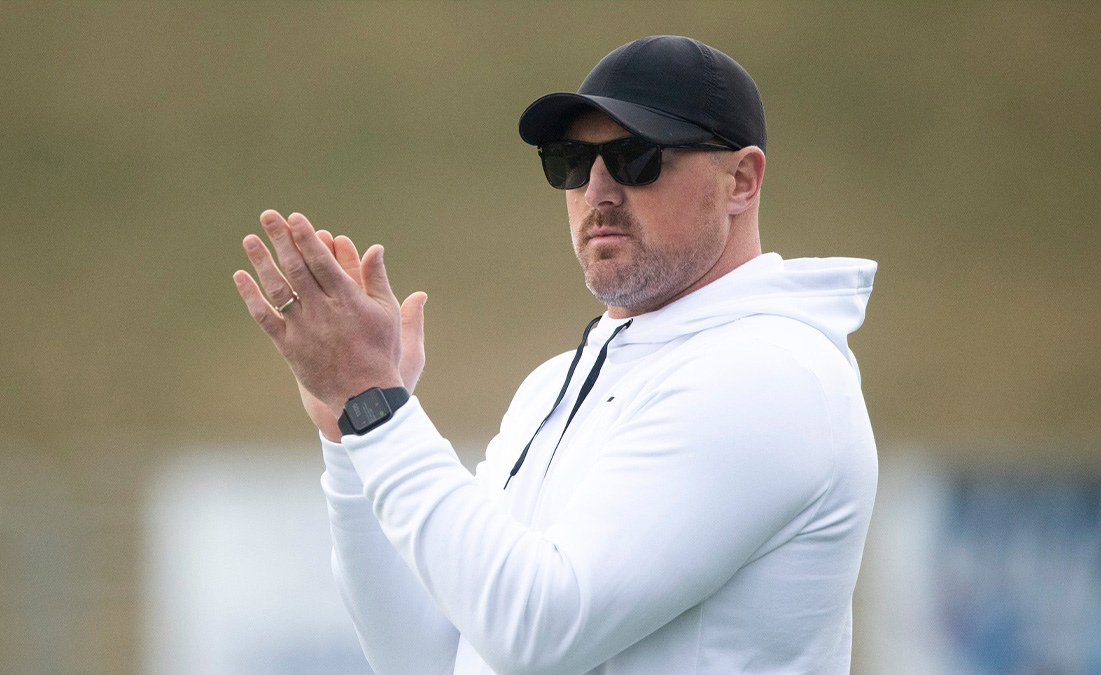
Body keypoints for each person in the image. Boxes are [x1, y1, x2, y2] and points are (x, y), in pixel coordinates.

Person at [234, 35, 878, 675]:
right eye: (571, 161)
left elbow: (538, 629)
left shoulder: (769, 375)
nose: (598, 190)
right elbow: (425, 656)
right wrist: (353, 436)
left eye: (635, 157)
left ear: (741, 179)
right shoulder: (554, 385)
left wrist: (376, 404)